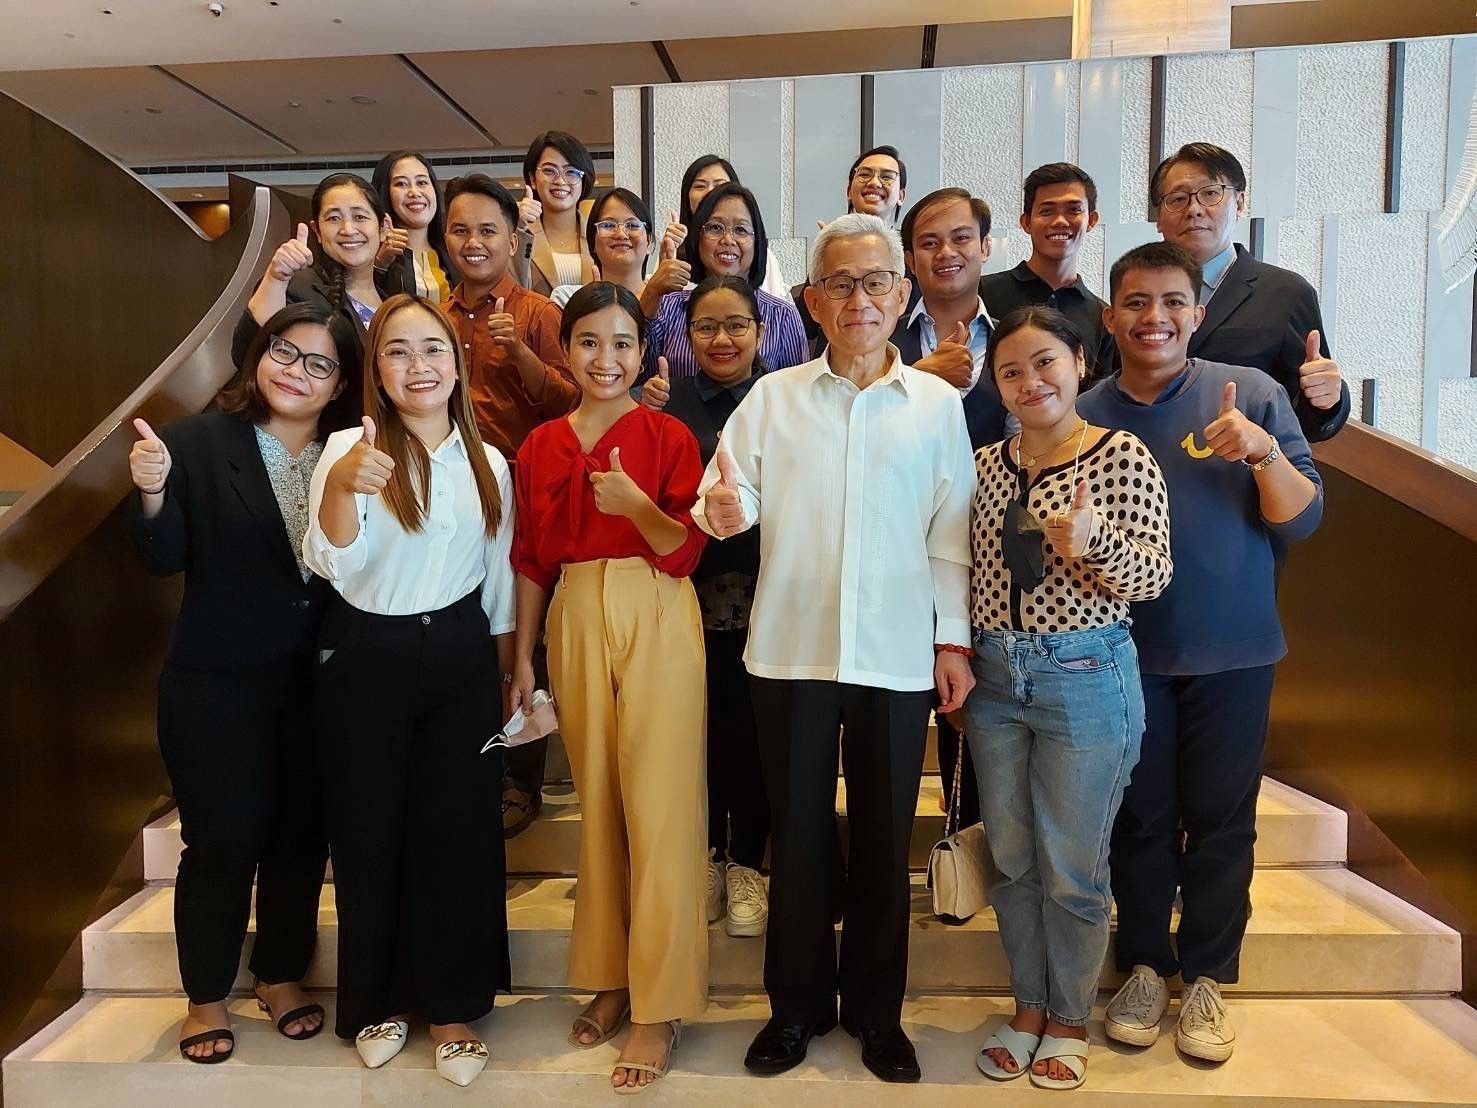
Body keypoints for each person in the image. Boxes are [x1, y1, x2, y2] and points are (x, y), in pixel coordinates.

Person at [695, 213, 976, 1084]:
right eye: (839, 284)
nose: (858, 300)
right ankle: (796, 1008)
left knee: (886, 842)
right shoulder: (772, 398)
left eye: (875, 282)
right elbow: (724, 495)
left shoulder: (935, 406)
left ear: (901, 295)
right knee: (801, 838)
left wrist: (951, 642)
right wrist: (725, 512)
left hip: (895, 660)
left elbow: (950, 537)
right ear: (811, 299)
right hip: (790, 656)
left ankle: (877, 1016)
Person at [1077, 242, 1322, 1065]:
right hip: (1120, 656)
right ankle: (1145, 965)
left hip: (1234, 650)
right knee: (1139, 820)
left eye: (1172, 301)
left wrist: (1258, 451)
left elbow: (1302, 519)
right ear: (1110, 317)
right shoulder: (1083, 412)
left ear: (1196, 311)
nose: (1155, 318)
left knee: (1221, 821)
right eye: (1136, 303)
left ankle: (1210, 976)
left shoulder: (1248, 393)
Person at [128, 301, 361, 1064]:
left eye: (318, 363)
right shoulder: (198, 442)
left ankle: (280, 974)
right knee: (223, 841)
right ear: (257, 357)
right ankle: (205, 998)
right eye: (284, 353)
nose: (296, 372)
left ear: (340, 385)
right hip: (216, 682)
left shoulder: (354, 450)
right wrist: (155, 491)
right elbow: (163, 559)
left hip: (319, 681)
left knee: (300, 837)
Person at [304, 294, 515, 1088]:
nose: (417, 366)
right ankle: (374, 1002)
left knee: (456, 832)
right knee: (368, 833)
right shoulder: (346, 449)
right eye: (397, 351)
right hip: (367, 652)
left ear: (456, 364)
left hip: (459, 653)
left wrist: (509, 672)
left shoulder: (489, 463)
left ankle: (453, 1006)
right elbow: (334, 564)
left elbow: (496, 581)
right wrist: (340, 488)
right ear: (376, 370)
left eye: (432, 349)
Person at [965, 306, 1173, 1091]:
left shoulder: (1120, 455)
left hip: (1084, 677)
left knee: (1071, 867)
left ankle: (1069, 1016)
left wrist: (1094, 543)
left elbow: (1152, 578)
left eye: (1044, 362)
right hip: (993, 678)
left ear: (1080, 362)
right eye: (1011, 370)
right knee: (1013, 861)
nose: (1029, 382)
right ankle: (1027, 1004)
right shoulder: (985, 463)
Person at [510, 282, 709, 1093]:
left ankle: (659, 1006)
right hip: (572, 610)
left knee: (659, 803)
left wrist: (634, 505)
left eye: (621, 343)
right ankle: (611, 976)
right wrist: (521, 659)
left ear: (644, 353)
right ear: (566, 350)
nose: (605, 359)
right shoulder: (539, 445)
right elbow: (528, 557)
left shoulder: (668, 434)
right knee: (598, 802)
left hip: (656, 602)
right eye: (588, 342)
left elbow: (685, 548)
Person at [441, 173, 580, 835]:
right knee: (464, 635)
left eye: (487, 229)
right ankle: (465, 762)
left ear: (512, 236)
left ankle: (518, 777)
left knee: (524, 640)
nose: (474, 242)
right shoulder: (432, 321)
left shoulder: (538, 314)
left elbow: (572, 405)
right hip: (448, 506)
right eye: (461, 229)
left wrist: (520, 354)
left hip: (525, 502)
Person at [662, 276, 771, 940]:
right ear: (687, 334)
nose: (722, 339)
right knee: (697, 733)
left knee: (755, 736)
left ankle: (749, 864)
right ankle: (706, 855)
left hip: (770, 597)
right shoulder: (667, 407)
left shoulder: (786, 400)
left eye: (736, 325)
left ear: (760, 331)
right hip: (687, 598)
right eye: (706, 326)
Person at [1151, 142, 1348, 441]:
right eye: (1177, 198)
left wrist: (1329, 399)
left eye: (1210, 193)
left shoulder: (1286, 294)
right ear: (1158, 219)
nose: (1194, 209)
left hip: (1243, 475)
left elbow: (1308, 425)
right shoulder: (1138, 293)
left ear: (1240, 203)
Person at [638, 183, 808, 405]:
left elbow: (799, 395)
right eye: (716, 228)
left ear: (758, 243)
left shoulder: (782, 314)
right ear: (697, 237)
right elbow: (634, 376)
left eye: (741, 230)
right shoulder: (668, 307)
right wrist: (651, 293)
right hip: (682, 431)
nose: (728, 239)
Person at [233, 172, 389, 366]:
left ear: (383, 228)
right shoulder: (297, 287)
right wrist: (275, 279)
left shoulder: (391, 299)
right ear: (317, 231)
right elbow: (247, 355)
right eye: (333, 218)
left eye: (359, 216)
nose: (348, 229)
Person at [979, 162, 1115, 379]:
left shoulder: (1103, 317)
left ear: (1091, 220)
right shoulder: (983, 292)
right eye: (1047, 211)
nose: (1060, 221)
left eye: (1074, 210)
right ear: (1026, 223)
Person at [792, 145, 911, 343]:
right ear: (849, 190)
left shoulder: (910, 253)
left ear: (901, 196)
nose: (874, 182)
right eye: (864, 174)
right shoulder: (832, 246)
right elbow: (804, 326)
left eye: (887, 176)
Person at [548, 187, 690, 319]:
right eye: (608, 225)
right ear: (592, 244)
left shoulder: (672, 297)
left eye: (632, 225)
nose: (621, 234)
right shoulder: (568, 298)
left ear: (650, 242)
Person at [677, 154, 789, 298]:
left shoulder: (778, 311)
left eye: (740, 230)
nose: (710, 192)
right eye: (715, 228)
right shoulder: (674, 304)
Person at [517, 130, 598, 297]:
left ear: (583, 181)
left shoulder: (599, 234)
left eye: (571, 172)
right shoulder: (519, 232)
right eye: (549, 171)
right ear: (532, 179)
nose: (560, 181)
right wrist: (518, 226)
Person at [371, 150, 459, 302]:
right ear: (385, 192)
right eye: (401, 184)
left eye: (422, 182)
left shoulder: (454, 250)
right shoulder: (372, 255)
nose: (414, 192)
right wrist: (380, 265)